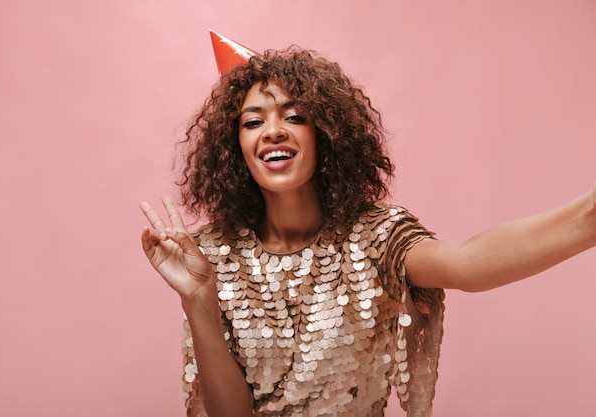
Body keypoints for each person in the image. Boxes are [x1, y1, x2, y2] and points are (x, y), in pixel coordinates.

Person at [139, 33, 596, 417]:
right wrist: (198, 299)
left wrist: (587, 219)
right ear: (235, 146)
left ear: (327, 133)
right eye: (253, 121)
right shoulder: (211, 255)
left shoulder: (378, 236)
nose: (273, 131)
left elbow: (465, 262)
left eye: (294, 116)